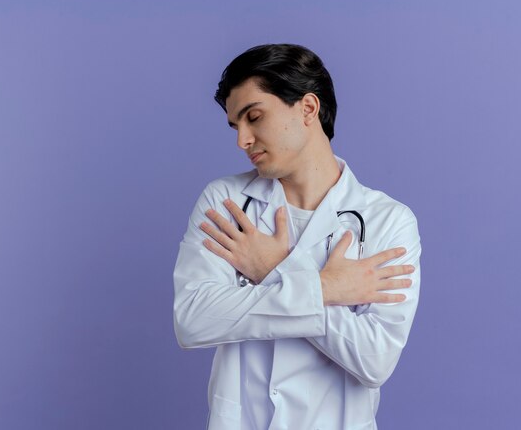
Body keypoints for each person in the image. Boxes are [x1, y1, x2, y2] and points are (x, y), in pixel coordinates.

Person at [173, 43, 422, 430]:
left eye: (253, 117)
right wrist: (324, 289)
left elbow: (374, 360)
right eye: (236, 126)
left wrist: (273, 267)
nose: (243, 140)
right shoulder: (226, 201)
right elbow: (194, 320)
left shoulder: (388, 220)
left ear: (308, 108)